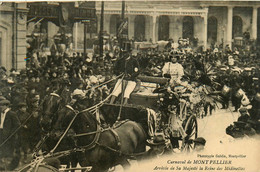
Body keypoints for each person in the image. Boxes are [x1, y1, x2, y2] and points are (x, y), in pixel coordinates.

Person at [0, 99, 21, 170]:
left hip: (9, 136)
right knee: (2, 148)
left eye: (1, 105)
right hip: (1, 133)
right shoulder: (1, 113)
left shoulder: (12, 114)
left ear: (6, 106)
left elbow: (18, 125)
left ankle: (10, 166)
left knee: (9, 151)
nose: (0, 107)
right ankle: (3, 165)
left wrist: (11, 133)